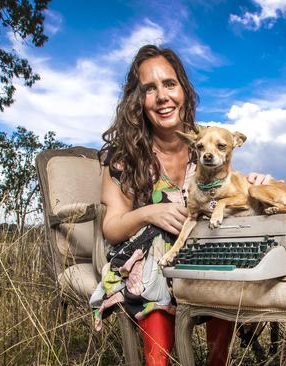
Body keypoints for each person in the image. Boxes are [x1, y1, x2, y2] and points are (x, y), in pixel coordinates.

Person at [95, 44, 271, 366]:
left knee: (226, 258)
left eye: (169, 84)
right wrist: (150, 212)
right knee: (156, 262)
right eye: (150, 88)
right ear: (138, 101)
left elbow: (230, 184)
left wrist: (253, 185)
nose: (162, 96)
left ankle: (218, 360)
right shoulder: (125, 156)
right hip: (153, 257)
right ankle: (157, 361)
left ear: (184, 92)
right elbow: (111, 227)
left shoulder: (206, 141)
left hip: (205, 252)